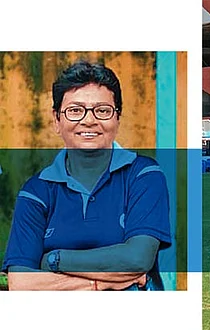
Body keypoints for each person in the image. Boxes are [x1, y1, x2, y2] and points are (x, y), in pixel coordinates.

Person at [1, 61, 172, 291]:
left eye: (102, 110)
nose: (89, 120)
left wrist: (54, 259)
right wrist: (98, 284)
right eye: (75, 110)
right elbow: (21, 283)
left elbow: (137, 259)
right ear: (57, 120)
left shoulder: (143, 174)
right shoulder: (36, 191)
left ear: (117, 118)